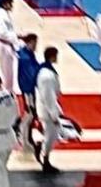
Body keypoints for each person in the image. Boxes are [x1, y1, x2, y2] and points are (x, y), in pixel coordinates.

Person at [36, 46, 62, 174]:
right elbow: (48, 97)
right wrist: (54, 115)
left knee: (52, 135)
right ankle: (44, 159)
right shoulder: (47, 76)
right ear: (52, 56)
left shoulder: (46, 70)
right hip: (47, 111)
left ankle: (43, 152)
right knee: (50, 136)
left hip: (47, 108)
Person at [15, 34, 40, 154]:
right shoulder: (25, 58)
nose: (36, 46)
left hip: (29, 89)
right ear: (29, 43)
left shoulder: (27, 53)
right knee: (29, 114)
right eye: (34, 44)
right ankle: (23, 137)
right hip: (27, 89)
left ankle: (27, 137)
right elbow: (30, 74)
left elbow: (35, 67)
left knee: (31, 114)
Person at [0, 0, 19, 91]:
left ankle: (9, 89)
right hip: (4, 45)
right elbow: (1, 32)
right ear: (5, 4)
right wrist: (15, 38)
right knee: (7, 71)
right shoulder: (1, 15)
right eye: (10, 4)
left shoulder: (4, 14)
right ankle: (8, 91)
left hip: (7, 44)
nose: (11, 6)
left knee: (9, 71)